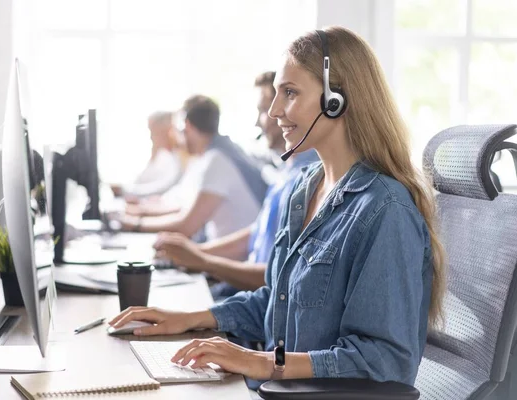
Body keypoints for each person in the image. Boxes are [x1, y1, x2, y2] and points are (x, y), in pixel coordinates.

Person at [108, 27, 445, 388]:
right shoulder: (304, 190)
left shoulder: (385, 210)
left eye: (290, 93)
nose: (273, 110)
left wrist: (262, 362)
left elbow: (386, 359)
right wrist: (188, 318)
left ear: (337, 99)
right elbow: (276, 302)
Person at [153, 72, 318, 297]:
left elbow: (277, 277)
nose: (261, 120)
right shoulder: (287, 172)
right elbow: (256, 234)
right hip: (245, 291)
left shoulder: (309, 179)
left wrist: (202, 260)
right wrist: (196, 254)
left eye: (262, 110)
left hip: (256, 302)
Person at [118, 95, 268, 241]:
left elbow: (187, 225)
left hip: (232, 258)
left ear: (187, 126)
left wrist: (135, 223)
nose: (176, 137)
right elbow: (183, 208)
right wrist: (141, 213)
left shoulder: (217, 161)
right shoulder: (216, 154)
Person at [111, 111, 185, 199]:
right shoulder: (161, 155)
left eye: (153, 131)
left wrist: (124, 191)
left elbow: (162, 188)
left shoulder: (176, 158)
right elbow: (141, 181)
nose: (151, 137)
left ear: (167, 130)